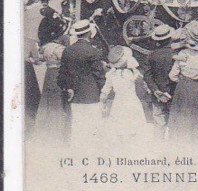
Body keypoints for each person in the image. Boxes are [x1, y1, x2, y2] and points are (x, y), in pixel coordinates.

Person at [57, 19, 107, 147]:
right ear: (89, 33)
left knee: (78, 126)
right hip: (92, 95)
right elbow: (99, 76)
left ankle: (78, 151)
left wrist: (68, 88)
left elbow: (62, 75)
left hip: (75, 95)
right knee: (93, 127)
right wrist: (105, 93)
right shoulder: (94, 51)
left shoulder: (67, 51)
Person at [168, 20, 198, 144]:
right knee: (197, 115)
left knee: (181, 115)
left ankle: (179, 142)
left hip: (182, 88)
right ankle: (197, 141)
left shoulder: (183, 53)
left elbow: (172, 76)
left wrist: (182, 81)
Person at [100, 46, 151, 141]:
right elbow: (143, 85)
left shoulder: (112, 74)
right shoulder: (133, 73)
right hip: (132, 101)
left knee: (120, 129)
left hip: (118, 103)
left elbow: (105, 92)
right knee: (133, 128)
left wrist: (102, 104)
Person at [141, 24, 176, 137]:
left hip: (158, 95)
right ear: (170, 38)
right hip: (173, 93)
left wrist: (155, 90)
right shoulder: (175, 54)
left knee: (158, 122)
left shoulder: (151, 55)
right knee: (174, 123)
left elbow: (147, 76)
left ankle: (158, 148)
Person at [33, 41, 69, 142]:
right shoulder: (59, 48)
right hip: (57, 73)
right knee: (57, 102)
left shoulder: (46, 46)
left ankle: (43, 129)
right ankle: (56, 131)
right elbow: (66, 61)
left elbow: (38, 60)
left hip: (49, 73)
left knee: (46, 100)